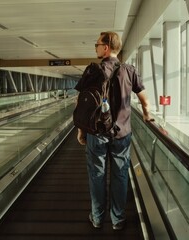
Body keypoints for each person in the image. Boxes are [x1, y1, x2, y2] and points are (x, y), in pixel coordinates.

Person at [74, 31, 153, 231]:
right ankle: (117, 219)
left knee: (97, 176)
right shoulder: (129, 70)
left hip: (96, 133)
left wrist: (81, 131)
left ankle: (98, 217)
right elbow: (144, 100)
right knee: (120, 175)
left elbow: (81, 103)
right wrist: (146, 115)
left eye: (97, 44)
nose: (96, 48)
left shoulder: (92, 71)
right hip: (122, 133)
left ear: (106, 47)